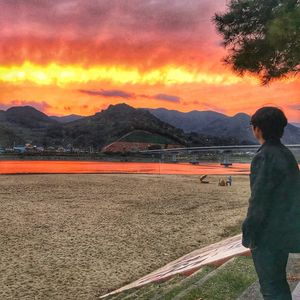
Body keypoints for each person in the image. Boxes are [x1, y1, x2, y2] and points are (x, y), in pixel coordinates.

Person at [242, 107, 300, 299]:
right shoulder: (286, 154)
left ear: (257, 129)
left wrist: (249, 231)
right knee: (278, 282)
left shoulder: (264, 156)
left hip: (268, 233)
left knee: (270, 286)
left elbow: (259, 199)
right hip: (284, 229)